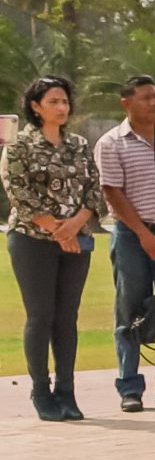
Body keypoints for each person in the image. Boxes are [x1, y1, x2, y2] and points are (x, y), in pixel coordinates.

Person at [6, 76, 103, 420]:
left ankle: (66, 391)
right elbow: (19, 192)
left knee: (67, 318)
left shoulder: (78, 144)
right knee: (40, 315)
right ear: (35, 107)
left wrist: (75, 225)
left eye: (65, 101)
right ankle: (41, 391)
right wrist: (59, 232)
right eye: (53, 102)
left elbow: (94, 189)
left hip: (76, 239)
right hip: (32, 241)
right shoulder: (20, 146)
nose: (62, 108)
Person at [95, 73, 155, 412]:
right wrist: (145, 236)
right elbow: (113, 193)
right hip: (133, 236)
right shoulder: (112, 142)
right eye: (146, 97)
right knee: (130, 311)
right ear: (126, 103)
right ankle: (130, 387)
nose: (154, 102)